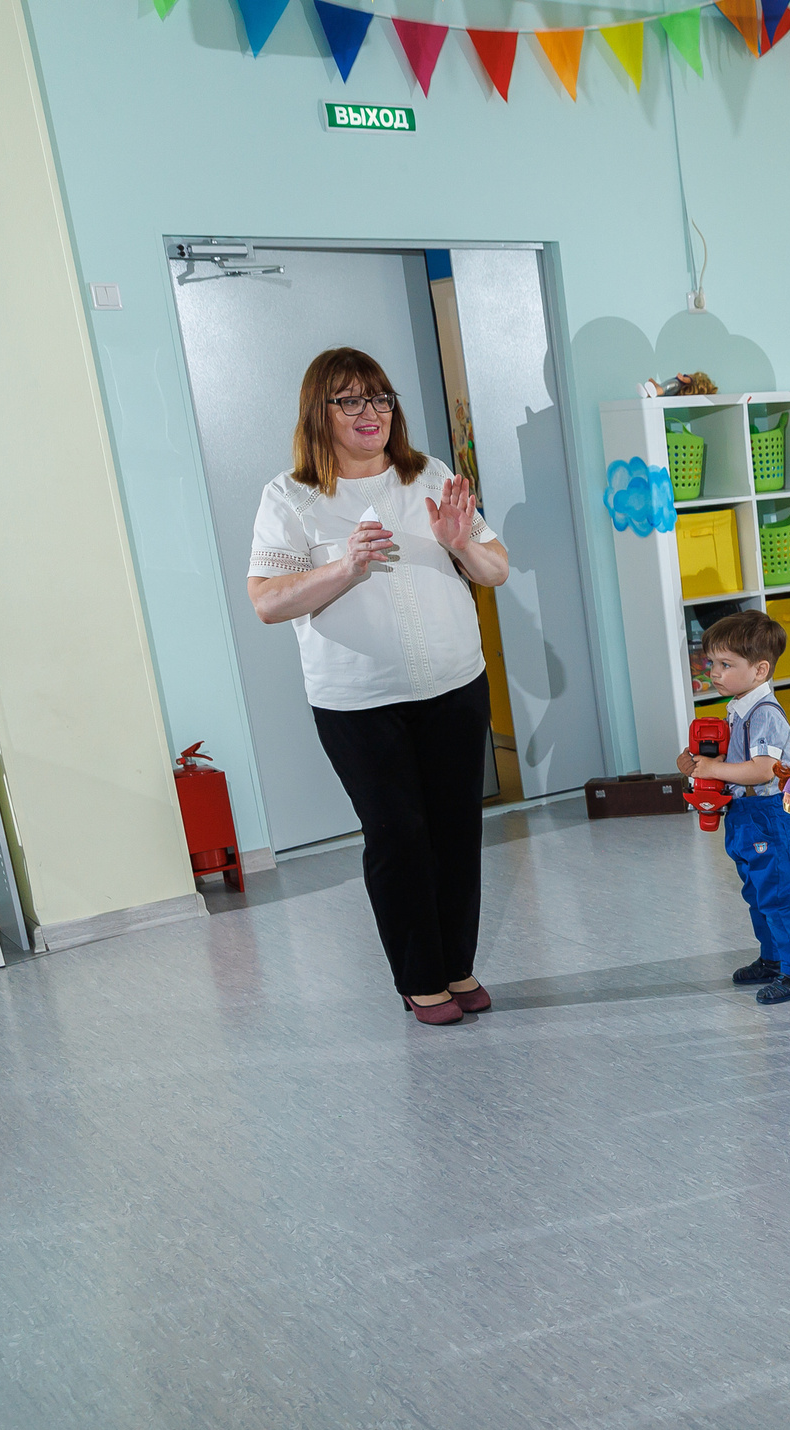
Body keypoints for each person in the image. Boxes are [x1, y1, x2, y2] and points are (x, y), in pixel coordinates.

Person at [247, 347, 511, 1026]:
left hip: (453, 684)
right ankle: (420, 978)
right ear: (320, 412)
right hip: (357, 701)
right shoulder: (291, 496)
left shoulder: (430, 474)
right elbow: (268, 601)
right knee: (397, 834)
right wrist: (344, 567)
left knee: (456, 831)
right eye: (351, 400)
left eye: (381, 398)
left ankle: (457, 965)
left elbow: (495, 568)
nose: (371, 413)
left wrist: (460, 542)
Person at [678, 610, 790, 1007]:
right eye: (712, 663)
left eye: (725, 664)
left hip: (769, 815)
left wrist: (715, 768)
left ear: (760, 670)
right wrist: (697, 764)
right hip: (744, 816)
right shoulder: (737, 708)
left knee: (775, 897)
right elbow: (730, 758)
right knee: (756, 893)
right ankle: (772, 959)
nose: (714, 672)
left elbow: (763, 769)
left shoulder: (766, 714)